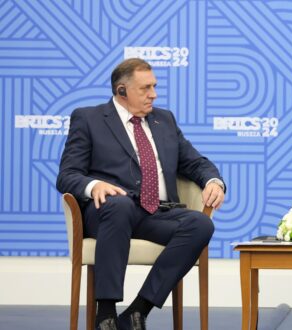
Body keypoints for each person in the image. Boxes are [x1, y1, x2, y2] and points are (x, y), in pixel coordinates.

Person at [56, 58, 225, 330]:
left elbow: (195, 162)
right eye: (146, 88)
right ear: (122, 91)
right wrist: (94, 186)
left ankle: (137, 311)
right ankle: (106, 314)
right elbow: (67, 175)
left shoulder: (164, 120)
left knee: (200, 224)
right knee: (120, 205)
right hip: (108, 213)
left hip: (156, 213)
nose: (154, 94)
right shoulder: (89, 119)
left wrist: (214, 181)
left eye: (155, 86)